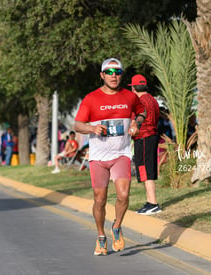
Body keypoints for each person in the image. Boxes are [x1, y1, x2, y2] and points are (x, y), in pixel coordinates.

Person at [74, 57, 146, 256]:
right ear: (102, 75)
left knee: (123, 195)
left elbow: (141, 111)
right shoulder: (91, 98)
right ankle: (100, 236)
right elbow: (77, 125)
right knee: (100, 200)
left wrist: (136, 124)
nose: (114, 76)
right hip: (98, 157)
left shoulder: (129, 97)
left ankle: (116, 226)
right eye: (110, 72)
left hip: (121, 153)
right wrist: (92, 128)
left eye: (118, 72)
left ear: (122, 75)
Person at [128, 74, 161, 215]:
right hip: (152, 136)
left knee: (145, 170)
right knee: (148, 169)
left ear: (134, 88)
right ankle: (149, 202)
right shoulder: (153, 100)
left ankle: (153, 203)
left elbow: (135, 121)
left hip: (143, 138)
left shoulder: (140, 101)